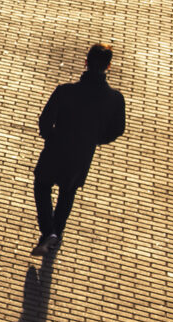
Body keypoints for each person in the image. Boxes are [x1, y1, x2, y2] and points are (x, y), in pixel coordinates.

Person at [31, 43, 125, 256]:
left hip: (56, 147)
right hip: (82, 154)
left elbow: (46, 120)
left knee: (42, 185)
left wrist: (50, 136)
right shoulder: (115, 99)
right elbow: (118, 129)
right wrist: (95, 140)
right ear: (108, 66)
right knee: (68, 190)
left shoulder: (65, 91)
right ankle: (56, 232)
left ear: (86, 62)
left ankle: (49, 232)